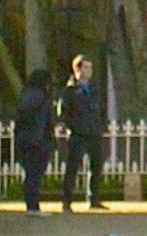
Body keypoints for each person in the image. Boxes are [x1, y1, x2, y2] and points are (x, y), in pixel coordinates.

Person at [58, 54, 107, 212]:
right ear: (77, 69)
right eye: (86, 67)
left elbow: (101, 109)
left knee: (96, 165)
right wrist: (69, 125)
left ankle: (94, 199)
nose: (89, 70)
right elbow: (63, 110)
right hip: (78, 133)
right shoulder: (70, 90)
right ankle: (67, 201)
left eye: (90, 67)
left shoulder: (94, 89)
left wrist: (101, 125)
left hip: (94, 132)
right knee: (72, 167)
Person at [12, 67, 55, 214]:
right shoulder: (40, 96)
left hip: (27, 138)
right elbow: (43, 119)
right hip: (36, 140)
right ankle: (33, 206)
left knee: (31, 173)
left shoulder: (27, 94)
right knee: (34, 174)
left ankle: (32, 204)